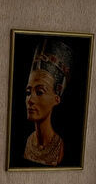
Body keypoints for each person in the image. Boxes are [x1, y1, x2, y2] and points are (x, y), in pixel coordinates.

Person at [23, 38, 73, 166]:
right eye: (28, 92)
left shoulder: (58, 147)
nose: (30, 100)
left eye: (40, 92)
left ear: (56, 99)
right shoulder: (29, 141)